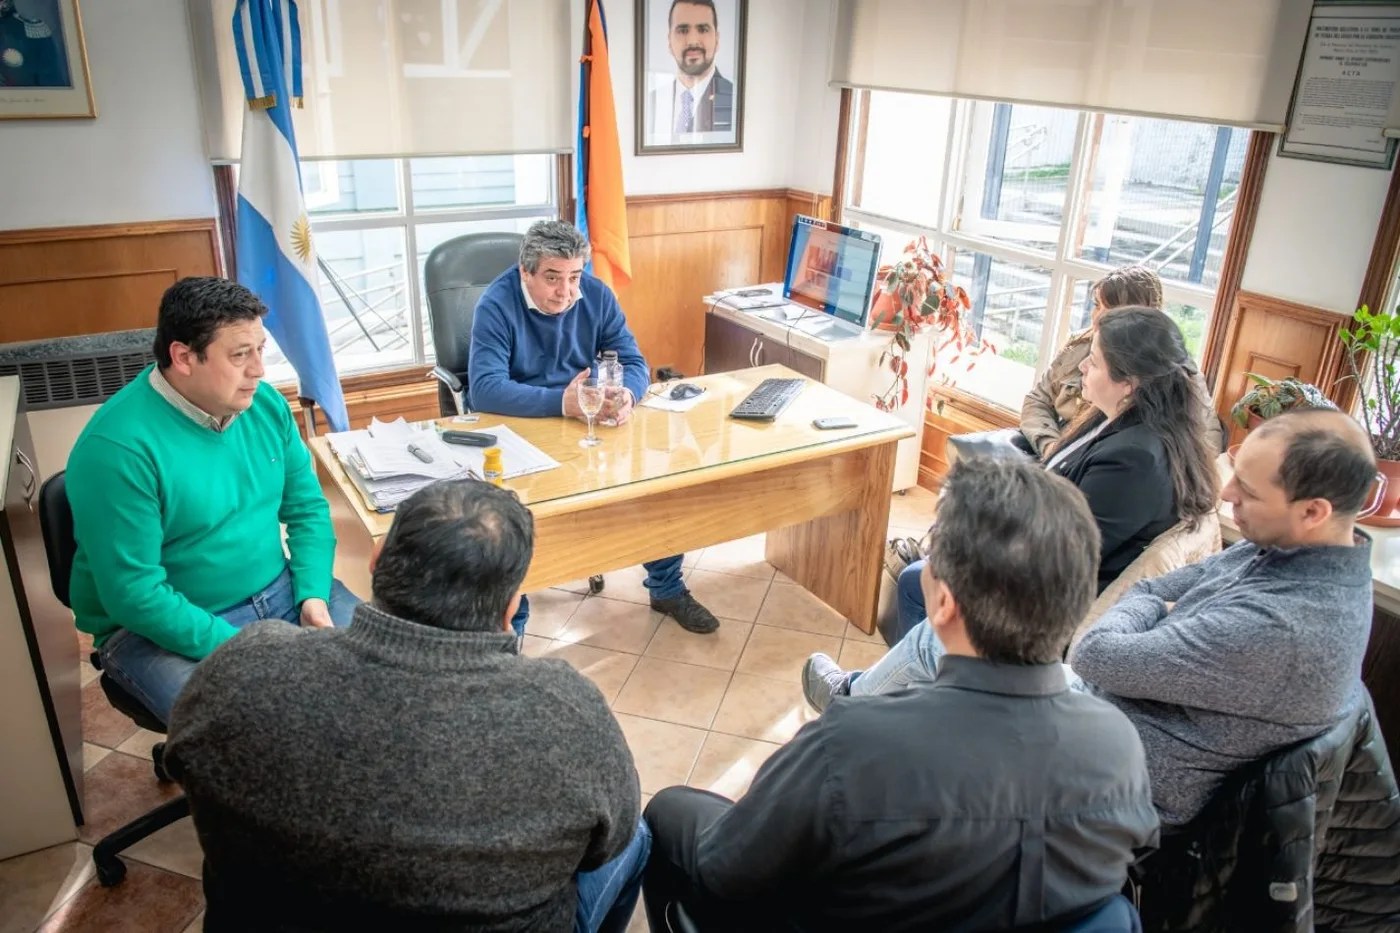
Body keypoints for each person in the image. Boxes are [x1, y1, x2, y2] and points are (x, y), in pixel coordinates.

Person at [642, 458, 1158, 932]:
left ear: (944, 603)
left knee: (670, 812)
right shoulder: (1119, 745)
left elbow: (726, 871)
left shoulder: (851, 743)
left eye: (930, 556)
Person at [165, 478, 650, 933]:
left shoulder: (246, 663)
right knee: (642, 837)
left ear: (376, 559)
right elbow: (610, 839)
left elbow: (181, 757)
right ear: (510, 607)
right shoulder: (565, 713)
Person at [838, 305, 1219, 683]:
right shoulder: (1123, 424)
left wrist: (978, 537)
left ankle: (915, 697)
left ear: (1130, 382)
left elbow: (1062, 551)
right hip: (1046, 568)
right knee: (929, 566)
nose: (1083, 366)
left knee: (917, 581)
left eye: (1096, 362)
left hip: (1047, 600)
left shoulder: (1136, 460)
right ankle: (886, 691)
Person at [66, 277, 359, 724]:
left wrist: (313, 594)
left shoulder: (264, 406)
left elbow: (307, 510)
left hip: (279, 591)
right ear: (183, 357)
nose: (259, 370)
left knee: (388, 676)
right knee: (253, 736)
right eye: (240, 354)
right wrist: (244, 649)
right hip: (157, 626)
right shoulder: (116, 449)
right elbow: (134, 595)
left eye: (261, 349)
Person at [1071, 408, 1378, 826]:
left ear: (1313, 512)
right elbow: (1148, 589)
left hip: (1111, 800)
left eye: (1248, 491)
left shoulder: (1281, 626)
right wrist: (1161, 609)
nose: (1226, 493)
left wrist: (1158, 610)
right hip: (1092, 728)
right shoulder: (1278, 547)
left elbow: (1095, 653)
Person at [469, 219, 720, 635]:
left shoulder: (596, 295)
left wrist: (629, 396)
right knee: (515, 522)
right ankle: (513, 623)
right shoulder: (496, 305)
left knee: (658, 484)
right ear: (525, 272)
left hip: (587, 419)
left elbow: (634, 363)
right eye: (552, 278)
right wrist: (560, 402)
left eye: (573, 277)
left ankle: (667, 587)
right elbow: (485, 390)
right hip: (525, 425)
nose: (566, 292)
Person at [1021, 264, 1221, 458]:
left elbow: (1207, 444)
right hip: (1056, 452)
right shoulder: (1079, 345)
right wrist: (1050, 446)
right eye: (1097, 305)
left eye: (1113, 311)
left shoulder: (1176, 372)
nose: (1098, 318)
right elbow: (1037, 400)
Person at [646, 0, 734, 141]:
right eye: (683, 30)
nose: (693, 41)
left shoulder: (734, 101)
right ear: (669, 41)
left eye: (703, 29)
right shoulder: (651, 102)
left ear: (717, 40)